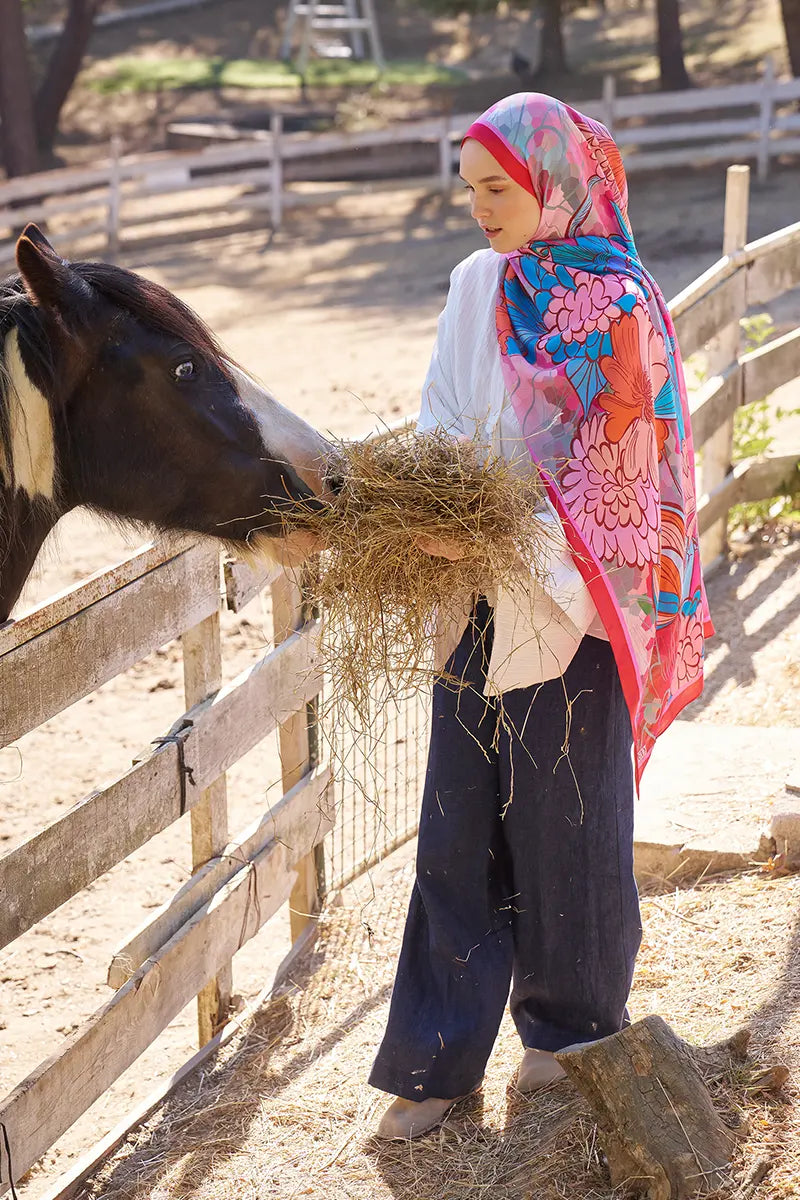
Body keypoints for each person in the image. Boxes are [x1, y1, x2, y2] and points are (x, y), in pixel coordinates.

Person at [368, 92, 713, 1140]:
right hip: (468, 594)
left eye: (495, 190)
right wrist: (425, 510)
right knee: (454, 825)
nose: (477, 210)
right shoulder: (473, 284)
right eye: (467, 191)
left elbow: (622, 480)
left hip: (574, 605)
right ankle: (434, 1061)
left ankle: (566, 1035)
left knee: (568, 825)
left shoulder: (615, 303)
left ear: (551, 184)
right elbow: (441, 414)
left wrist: (501, 543)